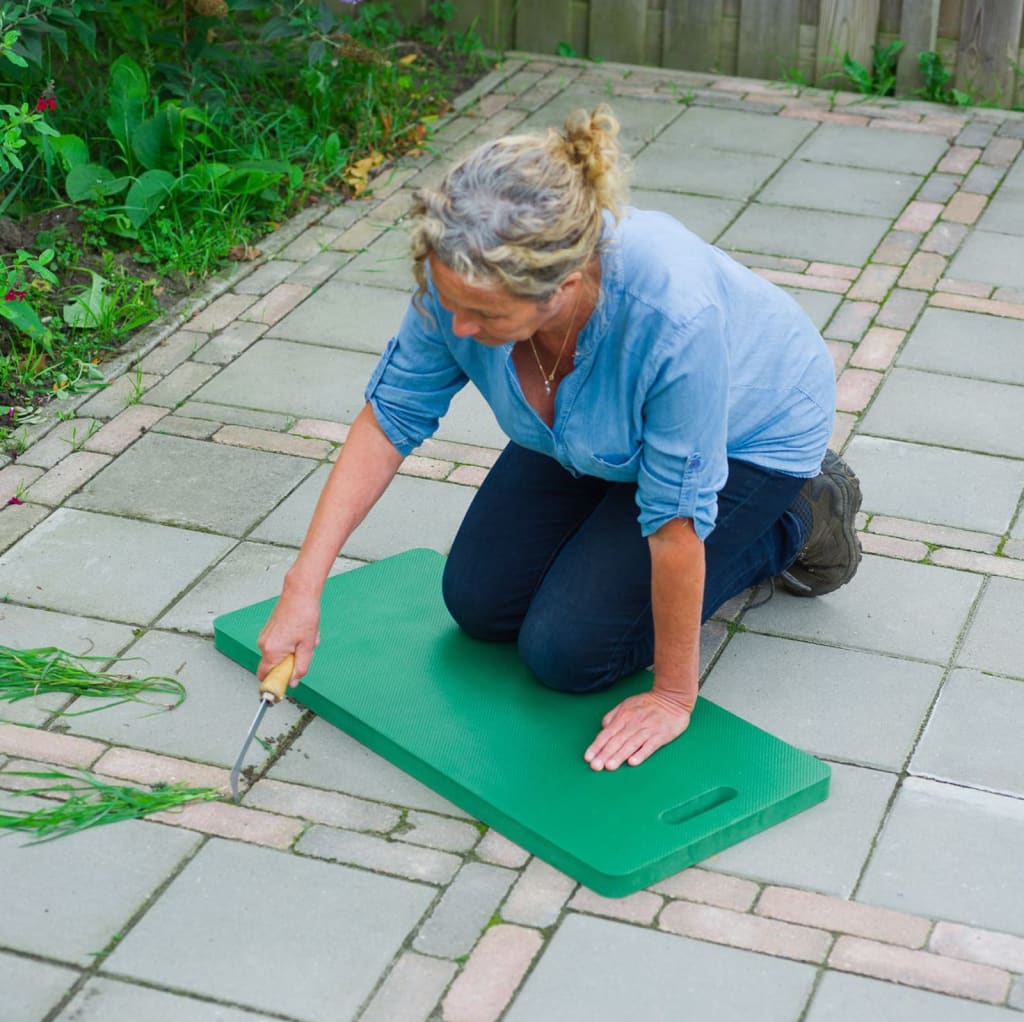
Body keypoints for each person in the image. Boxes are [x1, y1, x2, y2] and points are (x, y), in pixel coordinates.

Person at [257, 105, 862, 773]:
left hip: (749, 431)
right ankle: (621, 509)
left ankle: (799, 517)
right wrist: (303, 588)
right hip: (593, 436)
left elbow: (673, 527)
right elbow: (389, 419)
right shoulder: (461, 270)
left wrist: (671, 695)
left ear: (564, 288)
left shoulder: (673, 317)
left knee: (569, 652)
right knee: (479, 604)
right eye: (447, 300)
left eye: (483, 315)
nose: (454, 328)